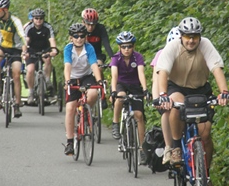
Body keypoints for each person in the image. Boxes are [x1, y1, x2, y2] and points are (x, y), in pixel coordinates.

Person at [156, 17, 229, 186]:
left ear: (199, 37)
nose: (191, 40)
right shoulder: (173, 47)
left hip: (201, 90)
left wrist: (224, 92)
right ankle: (175, 147)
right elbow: (163, 72)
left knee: (205, 135)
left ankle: (206, 174)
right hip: (177, 88)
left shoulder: (206, 45)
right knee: (176, 106)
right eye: (187, 36)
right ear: (181, 36)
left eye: (195, 37)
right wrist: (162, 95)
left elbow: (216, 69)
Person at [63, 23, 103, 155]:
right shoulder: (68, 49)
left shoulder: (89, 48)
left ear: (85, 37)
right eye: (76, 36)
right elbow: (67, 65)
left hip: (86, 77)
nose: (79, 39)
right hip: (73, 78)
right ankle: (69, 142)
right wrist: (67, 81)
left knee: (93, 94)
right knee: (70, 109)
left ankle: (85, 112)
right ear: (71, 38)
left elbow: (94, 64)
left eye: (82, 36)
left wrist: (99, 80)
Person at [110, 31, 148, 165]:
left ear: (133, 46)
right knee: (121, 97)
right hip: (120, 85)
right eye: (124, 47)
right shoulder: (115, 58)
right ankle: (115, 123)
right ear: (119, 47)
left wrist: (145, 89)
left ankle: (142, 148)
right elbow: (114, 75)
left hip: (135, 86)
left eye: (129, 46)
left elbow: (141, 73)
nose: (127, 49)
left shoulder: (138, 57)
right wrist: (113, 91)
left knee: (139, 115)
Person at [150, 26, 180, 164]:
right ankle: (168, 147)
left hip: (180, 88)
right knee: (167, 113)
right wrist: (157, 99)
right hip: (165, 88)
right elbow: (156, 79)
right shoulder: (161, 54)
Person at [0, 0, 28, 117]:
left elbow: (22, 36)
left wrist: (25, 49)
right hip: (2, 47)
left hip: (16, 49)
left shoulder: (15, 21)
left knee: (16, 73)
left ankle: (17, 104)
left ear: (6, 10)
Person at [24, 8, 58, 105]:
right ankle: (31, 92)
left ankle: (47, 81)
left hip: (44, 49)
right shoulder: (29, 28)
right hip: (32, 50)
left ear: (43, 19)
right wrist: (25, 51)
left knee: (47, 60)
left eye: (40, 18)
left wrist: (54, 49)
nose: (38, 20)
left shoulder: (48, 27)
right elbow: (26, 41)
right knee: (30, 70)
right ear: (33, 19)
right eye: (36, 18)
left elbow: (51, 39)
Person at [82, 8, 114, 109]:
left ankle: (102, 94)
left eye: (93, 24)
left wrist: (113, 58)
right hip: (82, 56)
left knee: (99, 67)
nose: (91, 27)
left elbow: (106, 44)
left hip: (96, 55)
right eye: (88, 24)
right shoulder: (80, 30)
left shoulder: (100, 29)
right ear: (83, 22)